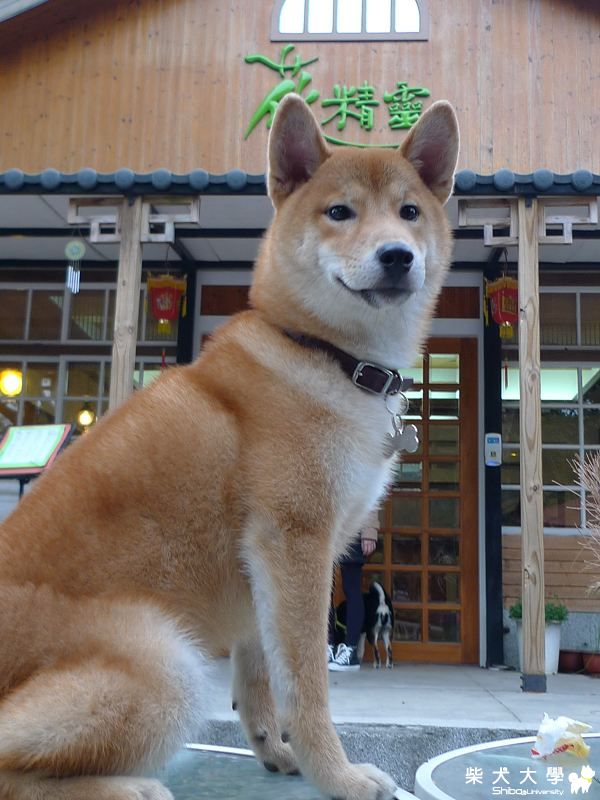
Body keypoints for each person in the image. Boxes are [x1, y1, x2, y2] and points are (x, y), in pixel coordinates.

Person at [327, 508, 379, 671]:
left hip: (353, 527)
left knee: (351, 588)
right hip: (326, 527)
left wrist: (369, 532)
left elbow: (370, 490)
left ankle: (350, 650)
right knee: (323, 590)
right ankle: (326, 646)